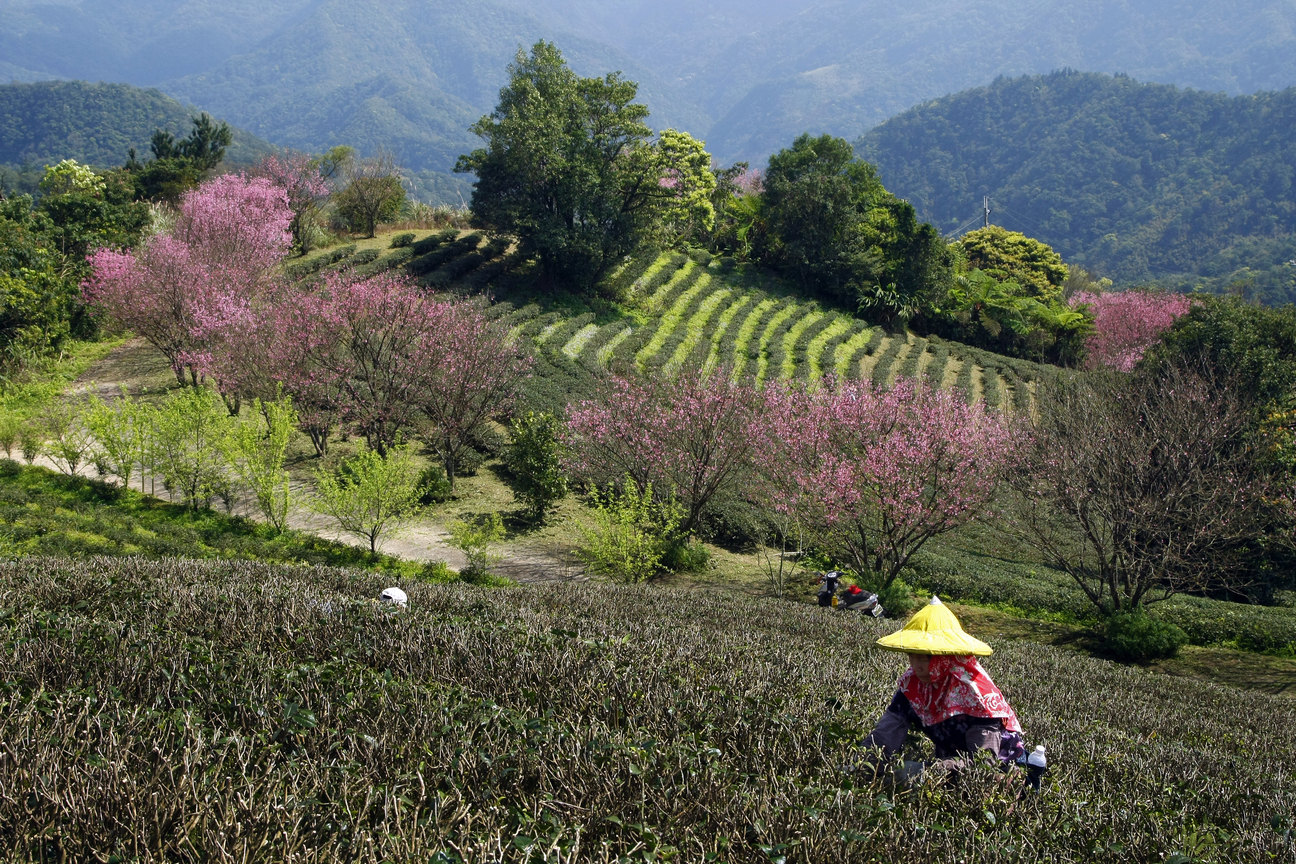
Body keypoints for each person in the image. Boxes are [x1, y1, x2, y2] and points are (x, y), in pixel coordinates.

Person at [861, 596, 1026, 777]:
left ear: (946, 656)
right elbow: (885, 735)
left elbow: (983, 762)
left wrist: (931, 770)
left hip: (997, 774)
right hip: (948, 765)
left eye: (926, 657)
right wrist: (863, 764)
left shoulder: (975, 694)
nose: (917, 666)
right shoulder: (913, 685)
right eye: (912, 655)